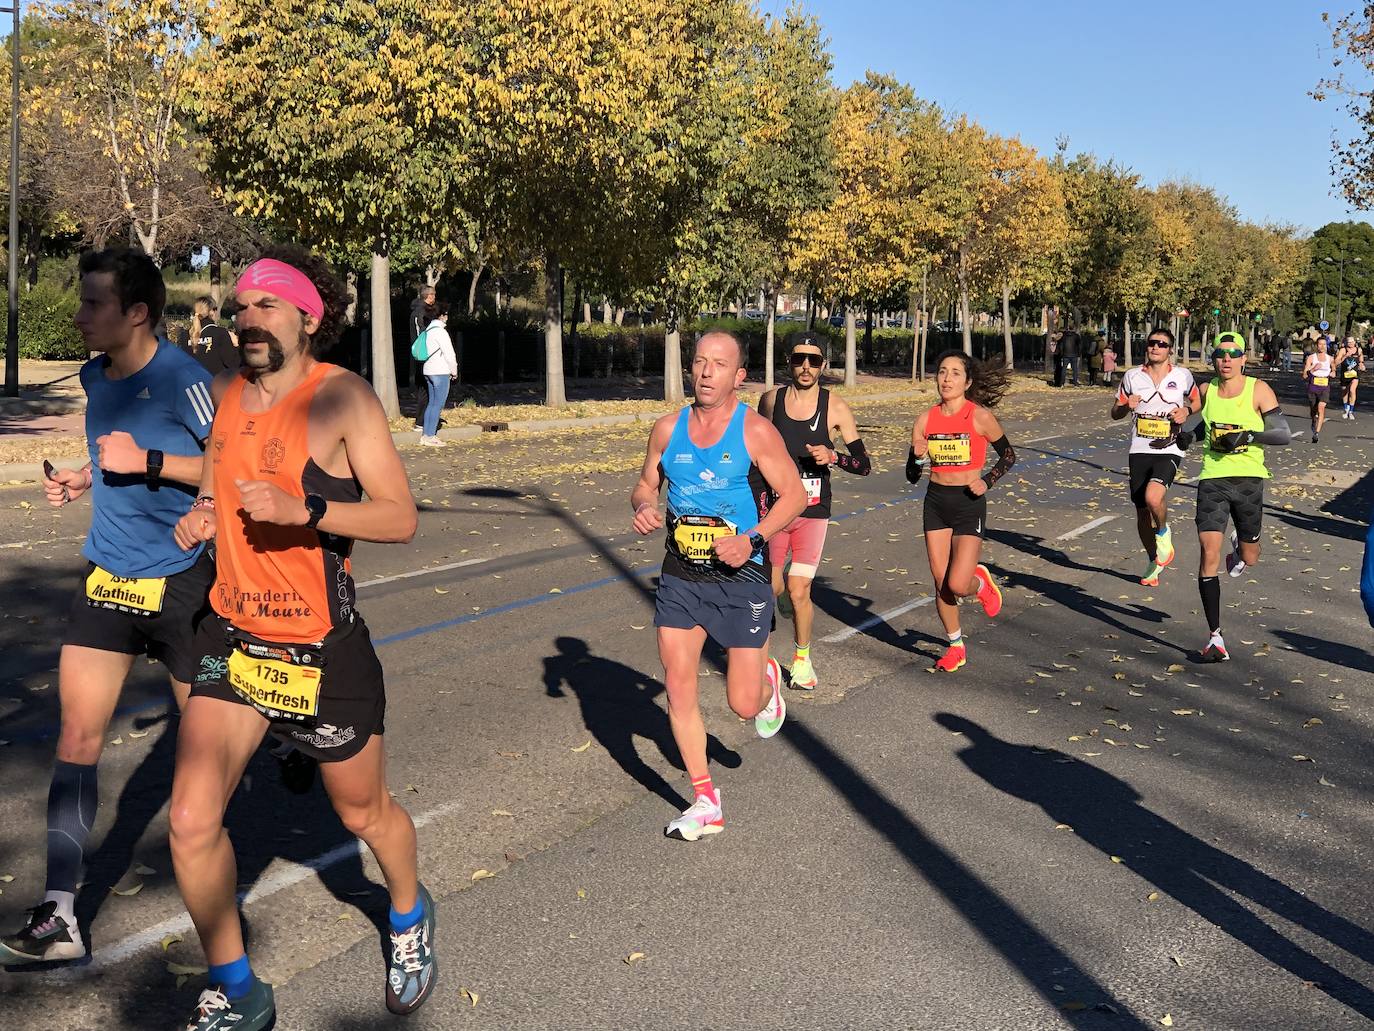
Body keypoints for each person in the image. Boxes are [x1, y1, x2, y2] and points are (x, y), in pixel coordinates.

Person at [170, 247, 434, 1028]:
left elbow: (400, 516)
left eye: (267, 306)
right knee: (189, 820)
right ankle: (239, 988)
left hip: (321, 651)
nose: (248, 319)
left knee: (364, 815)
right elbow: (221, 494)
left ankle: (410, 915)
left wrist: (308, 512)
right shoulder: (230, 397)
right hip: (234, 637)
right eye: (242, 306)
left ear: (308, 319)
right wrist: (202, 517)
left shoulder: (342, 398)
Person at [0, 249, 215, 966]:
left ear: (138, 313)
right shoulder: (98, 376)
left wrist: (160, 475)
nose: (81, 314)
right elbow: (114, 449)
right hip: (109, 577)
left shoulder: (184, 379)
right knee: (77, 739)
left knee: (211, 745)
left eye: (95, 303)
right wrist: (85, 475)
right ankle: (61, 913)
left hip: (183, 580)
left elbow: (236, 462)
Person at [631, 331, 805, 841]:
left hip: (741, 575)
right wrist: (643, 504)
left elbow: (793, 496)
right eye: (700, 362)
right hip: (681, 574)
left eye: (719, 364)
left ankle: (766, 677)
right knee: (678, 685)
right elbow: (645, 482)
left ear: (738, 376)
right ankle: (706, 800)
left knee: (742, 706)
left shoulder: (754, 432)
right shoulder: (667, 429)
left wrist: (753, 540)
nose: (707, 372)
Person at [757, 331, 870, 690]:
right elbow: (757, 454)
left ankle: (801, 661)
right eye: (798, 359)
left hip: (813, 510)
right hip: (775, 511)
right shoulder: (770, 400)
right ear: (789, 361)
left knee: (799, 588)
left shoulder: (834, 407)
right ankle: (779, 614)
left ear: (823, 365)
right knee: (770, 589)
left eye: (814, 361)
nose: (806, 367)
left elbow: (863, 464)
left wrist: (833, 456)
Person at [1176, 332, 1291, 662]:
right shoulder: (1206, 389)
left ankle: (1241, 545)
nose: (1226, 360)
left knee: (1250, 558)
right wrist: (1187, 438)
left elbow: (1283, 434)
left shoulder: (1258, 389)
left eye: (1234, 354)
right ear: (1214, 359)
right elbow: (1204, 426)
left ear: (1243, 359)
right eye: (1220, 354)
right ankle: (1215, 637)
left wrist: (1250, 433)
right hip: (1213, 478)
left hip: (1250, 480)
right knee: (1206, 549)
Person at [906, 350, 1016, 672]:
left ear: (967, 382)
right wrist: (916, 457)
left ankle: (980, 583)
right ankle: (955, 645)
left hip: (969, 502)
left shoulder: (978, 417)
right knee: (940, 582)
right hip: (936, 501)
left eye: (955, 373)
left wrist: (988, 481)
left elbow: (1008, 455)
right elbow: (912, 476)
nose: (947, 379)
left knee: (957, 584)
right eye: (942, 372)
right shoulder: (925, 420)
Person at [1111, 327, 1200, 586]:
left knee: (1153, 496)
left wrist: (1187, 410)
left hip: (1169, 446)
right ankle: (1155, 558)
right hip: (1139, 448)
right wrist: (1124, 406)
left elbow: (1197, 401)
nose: (1156, 347)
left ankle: (1163, 532)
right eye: (1152, 343)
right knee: (1141, 512)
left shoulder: (1182, 375)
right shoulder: (1132, 377)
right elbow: (1115, 412)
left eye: (1162, 344)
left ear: (1170, 350)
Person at [419, 301, 456, 446]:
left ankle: (425, 434)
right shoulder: (441, 332)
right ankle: (430, 436)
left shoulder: (428, 331)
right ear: (441, 316)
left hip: (428, 370)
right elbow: (449, 354)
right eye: (446, 314)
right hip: (440, 371)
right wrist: (454, 371)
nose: (447, 317)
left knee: (431, 403)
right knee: (438, 404)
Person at [190, 295, 241, 377]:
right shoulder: (220, 333)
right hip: (214, 386)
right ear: (211, 312)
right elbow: (233, 364)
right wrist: (236, 345)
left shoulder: (185, 335)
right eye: (215, 309)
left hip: (192, 387)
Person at [409, 285, 436, 430]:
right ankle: (421, 420)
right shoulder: (422, 312)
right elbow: (422, 334)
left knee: (423, 388)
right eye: (434, 295)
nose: (435, 298)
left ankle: (423, 419)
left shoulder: (417, 311)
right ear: (429, 296)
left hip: (419, 354)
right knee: (426, 388)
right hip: (424, 355)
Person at [1303, 335, 1334, 443]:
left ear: (1327, 346)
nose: (1322, 346)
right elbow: (1304, 375)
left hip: (1324, 387)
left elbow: (1333, 369)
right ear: (1317, 345)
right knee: (1313, 410)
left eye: (1324, 344)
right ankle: (1313, 420)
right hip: (1313, 386)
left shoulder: (1330, 359)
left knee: (1321, 408)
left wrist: (1333, 372)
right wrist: (1312, 369)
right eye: (1320, 344)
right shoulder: (1311, 358)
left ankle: (1316, 433)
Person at [1337, 336, 1365, 419]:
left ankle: (1351, 411)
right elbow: (1337, 361)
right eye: (1349, 342)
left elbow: (1361, 358)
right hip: (1345, 374)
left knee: (1352, 390)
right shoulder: (1343, 350)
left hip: (1355, 374)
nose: (1351, 344)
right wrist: (1345, 356)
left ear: (1355, 342)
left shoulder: (1358, 350)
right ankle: (1346, 408)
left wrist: (1361, 364)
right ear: (1346, 343)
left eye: (1352, 342)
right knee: (1344, 390)